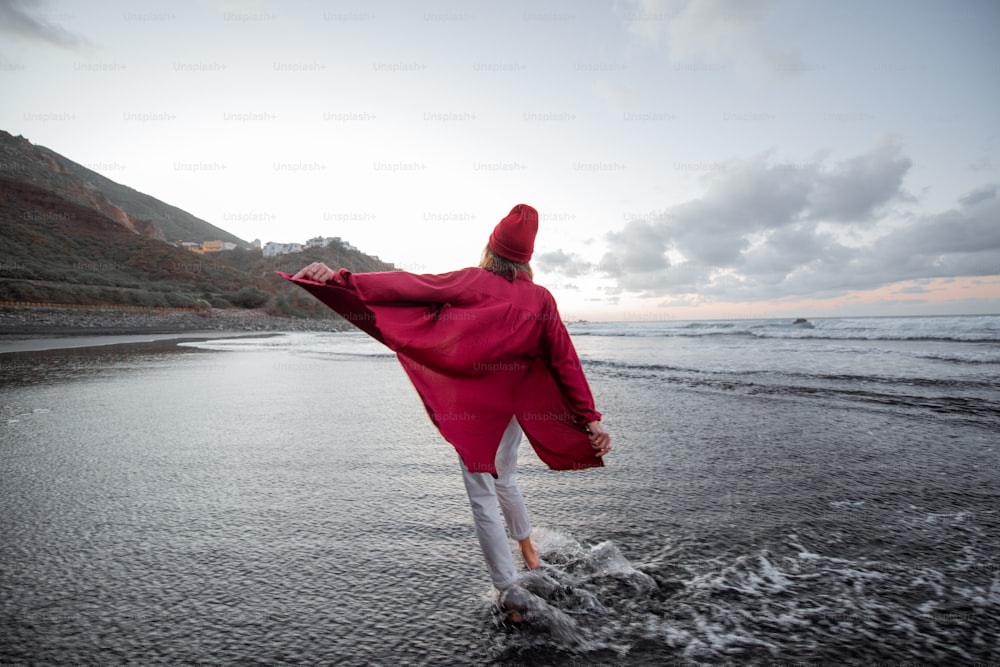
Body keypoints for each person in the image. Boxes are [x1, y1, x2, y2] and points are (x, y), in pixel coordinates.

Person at [283, 203, 611, 621]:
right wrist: (590, 416)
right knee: (505, 477)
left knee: (482, 493)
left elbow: (411, 286)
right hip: (514, 406)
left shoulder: (473, 279)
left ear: (492, 248)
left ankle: (509, 588)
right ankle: (527, 545)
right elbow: (564, 359)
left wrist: (343, 278)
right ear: (527, 257)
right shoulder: (541, 298)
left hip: (474, 408)